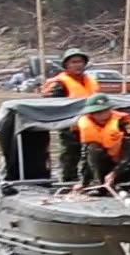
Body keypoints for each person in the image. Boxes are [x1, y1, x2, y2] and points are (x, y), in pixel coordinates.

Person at [41, 47, 101, 183]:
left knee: (92, 154)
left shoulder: (90, 81)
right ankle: (67, 179)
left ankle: (89, 179)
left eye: (80, 62)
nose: (78, 65)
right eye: (74, 62)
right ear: (66, 65)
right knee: (70, 154)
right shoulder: (59, 84)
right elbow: (50, 106)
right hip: (70, 126)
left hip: (92, 124)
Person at [73, 94, 130, 192]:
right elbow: (84, 156)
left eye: (105, 111)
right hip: (103, 165)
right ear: (91, 114)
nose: (103, 115)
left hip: (124, 165)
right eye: (98, 112)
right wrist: (82, 182)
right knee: (92, 148)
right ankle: (98, 184)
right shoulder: (85, 124)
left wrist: (115, 173)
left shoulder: (123, 123)